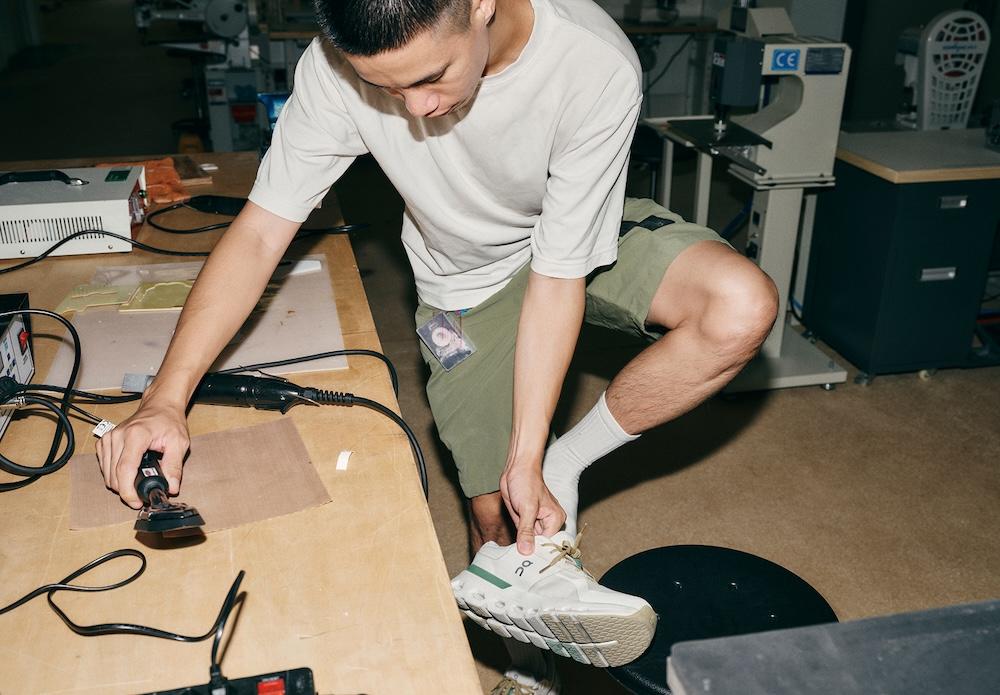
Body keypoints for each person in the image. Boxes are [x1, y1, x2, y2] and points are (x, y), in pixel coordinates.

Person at [97, 0, 778, 691]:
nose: (417, 110)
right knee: (494, 520)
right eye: (386, 91)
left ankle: (567, 464)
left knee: (739, 306)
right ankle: (528, 661)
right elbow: (261, 232)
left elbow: (557, 275)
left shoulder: (592, 62)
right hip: (459, 282)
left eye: (431, 77)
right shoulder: (335, 69)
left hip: (572, 240)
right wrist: (165, 398)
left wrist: (533, 456)